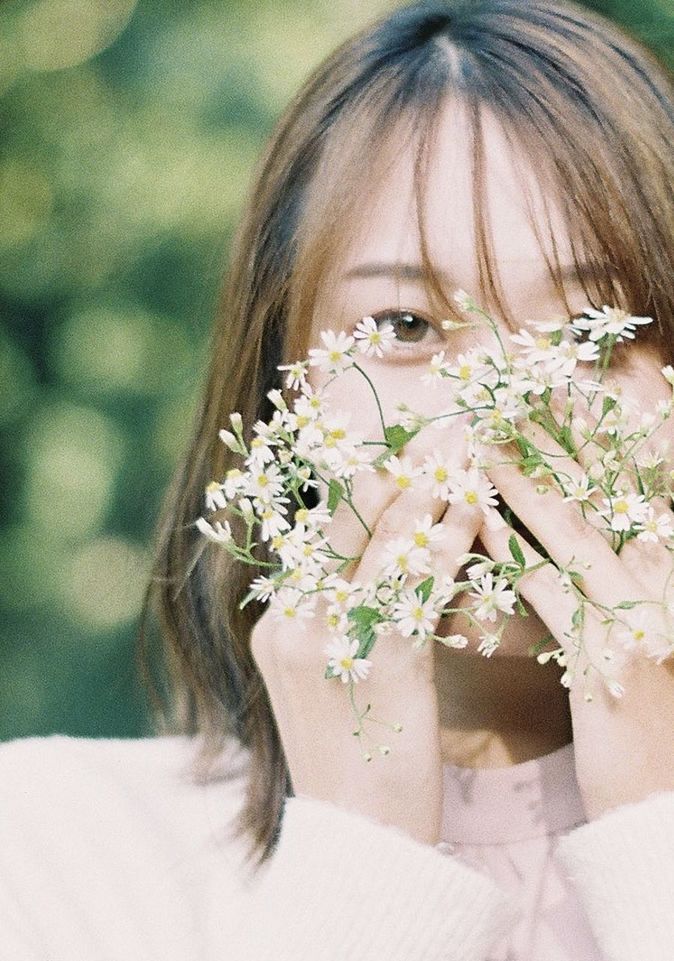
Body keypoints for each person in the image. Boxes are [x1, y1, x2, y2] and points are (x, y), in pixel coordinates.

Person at [2, 1, 674, 959]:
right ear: (281, 393)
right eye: (407, 328)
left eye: (584, 336)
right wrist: (365, 850)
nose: (495, 415)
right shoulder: (57, 851)